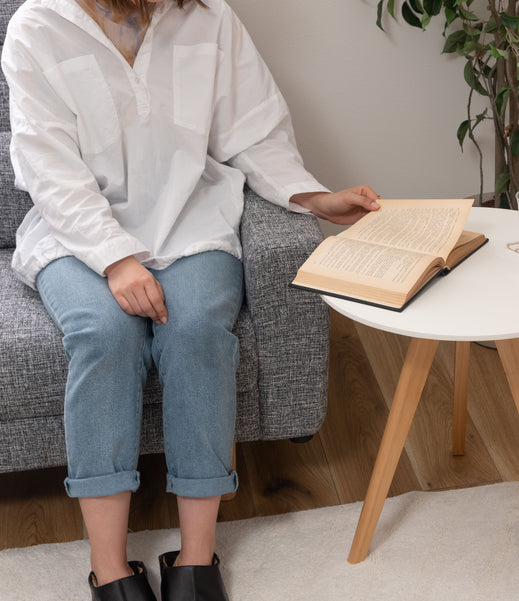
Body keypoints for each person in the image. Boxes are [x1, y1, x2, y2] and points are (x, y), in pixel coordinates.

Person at [1, 0, 380, 599]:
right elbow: (47, 166)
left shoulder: (210, 18)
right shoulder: (37, 27)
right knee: (104, 335)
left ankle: (197, 562)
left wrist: (312, 196)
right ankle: (110, 567)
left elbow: (252, 128)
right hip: (75, 234)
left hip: (192, 220)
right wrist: (115, 257)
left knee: (198, 329)